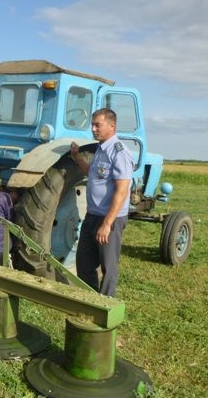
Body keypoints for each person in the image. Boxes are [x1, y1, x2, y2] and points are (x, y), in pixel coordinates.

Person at [70, 108, 134, 297]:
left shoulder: (119, 152)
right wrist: (76, 157)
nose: (93, 129)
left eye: (98, 125)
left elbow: (122, 191)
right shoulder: (100, 149)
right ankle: (91, 299)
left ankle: (105, 306)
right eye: (92, 125)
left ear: (112, 126)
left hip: (109, 218)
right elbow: (92, 173)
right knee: (83, 263)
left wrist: (107, 224)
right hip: (92, 215)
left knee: (108, 267)